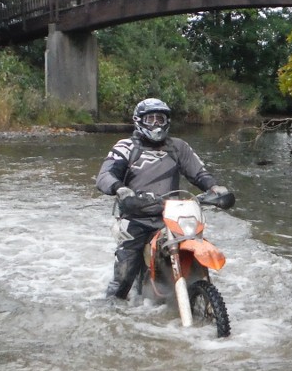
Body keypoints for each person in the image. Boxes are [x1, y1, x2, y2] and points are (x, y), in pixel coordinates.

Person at [95, 98, 229, 300]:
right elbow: (105, 175)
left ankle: (196, 290)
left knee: (195, 241)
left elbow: (199, 173)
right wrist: (120, 189)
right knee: (124, 275)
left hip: (171, 216)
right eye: (151, 119)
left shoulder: (178, 147)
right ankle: (111, 309)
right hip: (136, 217)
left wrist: (214, 188)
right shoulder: (126, 146)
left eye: (160, 118)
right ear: (139, 121)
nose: (156, 124)